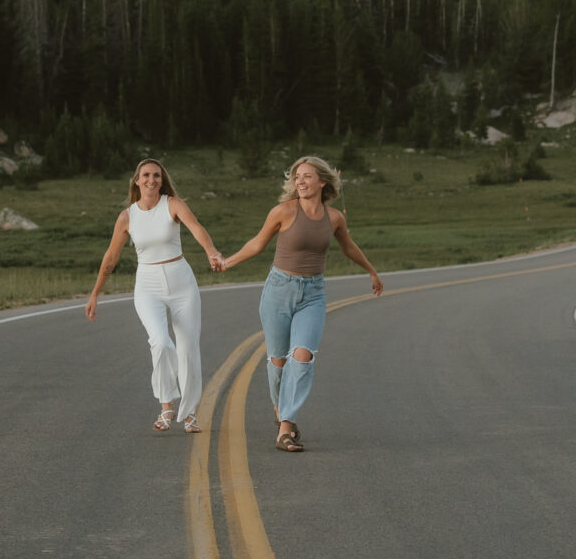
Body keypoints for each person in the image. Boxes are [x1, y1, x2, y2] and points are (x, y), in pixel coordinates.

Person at [217, 154, 383, 452]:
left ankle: (285, 425)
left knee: (303, 356)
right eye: (297, 177)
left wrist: (372, 271)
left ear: (322, 182)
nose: (301, 181)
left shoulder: (334, 218)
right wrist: (228, 262)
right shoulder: (283, 211)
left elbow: (349, 247)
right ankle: (282, 413)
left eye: (307, 176)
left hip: (313, 293)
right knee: (278, 360)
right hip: (279, 290)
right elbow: (257, 243)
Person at [86, 159, 228, 432]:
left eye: (156, 176)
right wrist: (95, 294)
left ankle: (189, 414)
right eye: (146, 175)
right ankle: (166, 406)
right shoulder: (127, 216)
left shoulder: (172, 204)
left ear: (161, 181)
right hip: (148, 285)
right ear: (137, 181)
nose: (151, 180)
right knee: (161, 343)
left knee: (188, 349)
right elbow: (110, 258)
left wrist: (212, 252)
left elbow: (197, 228)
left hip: (181, 282)